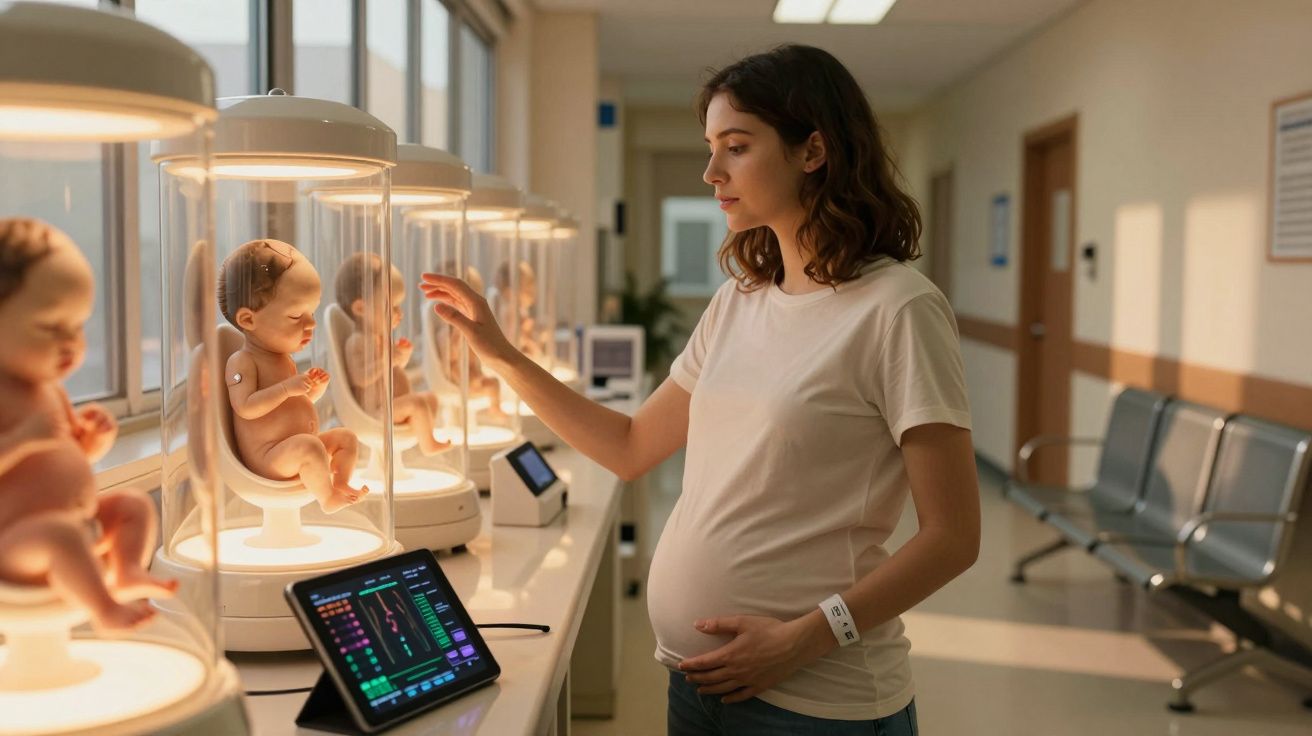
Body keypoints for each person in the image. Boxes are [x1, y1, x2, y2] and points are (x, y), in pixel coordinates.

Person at [423, 44, 979, 736]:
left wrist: (804, 637)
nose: (712, 171)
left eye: (736, 147)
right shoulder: (740, 301)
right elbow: (629, 448)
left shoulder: (898, 308)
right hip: (694, 683)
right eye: (711, 147)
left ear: (813, 151)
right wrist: (502, 355)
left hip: (816, 700)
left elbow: (954, 538)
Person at [0, 217, 176, 632]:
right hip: (18, 544)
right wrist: (22, 441)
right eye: (51, 327)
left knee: (133, 505)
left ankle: (129, 569)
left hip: (79, 526)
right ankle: (105, 612)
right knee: (60, 535)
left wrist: (89, 444)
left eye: (78, 327)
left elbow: (62, 456)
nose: (72, 344)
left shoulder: (47, 389)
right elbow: (30, 453)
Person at [219, 239, 367, 513]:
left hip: (296, 449)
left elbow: (292, 406)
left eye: (311, 313)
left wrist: (312, 390)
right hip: (270, 457)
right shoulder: (242, 361)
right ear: (248, 320)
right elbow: (246, 407)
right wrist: (288, 388)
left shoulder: (282, 358)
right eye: (297, 315)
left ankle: (341, 482)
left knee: (345, 438)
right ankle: (327, 499)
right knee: (310, 447)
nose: (311, 324)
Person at [335, 253, 449, 455]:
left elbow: (393, 369)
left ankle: (423, 435)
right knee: (417, 403)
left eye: (399, 306)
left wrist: (401, 356)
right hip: (376, 411)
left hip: (394, 405)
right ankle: (428, 445)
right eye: (391, 306)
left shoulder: (381, 338)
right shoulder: (357, 341)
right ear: (360, 308)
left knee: (430, 398)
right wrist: (389, 360)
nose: (399, 313)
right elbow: (360, 378)